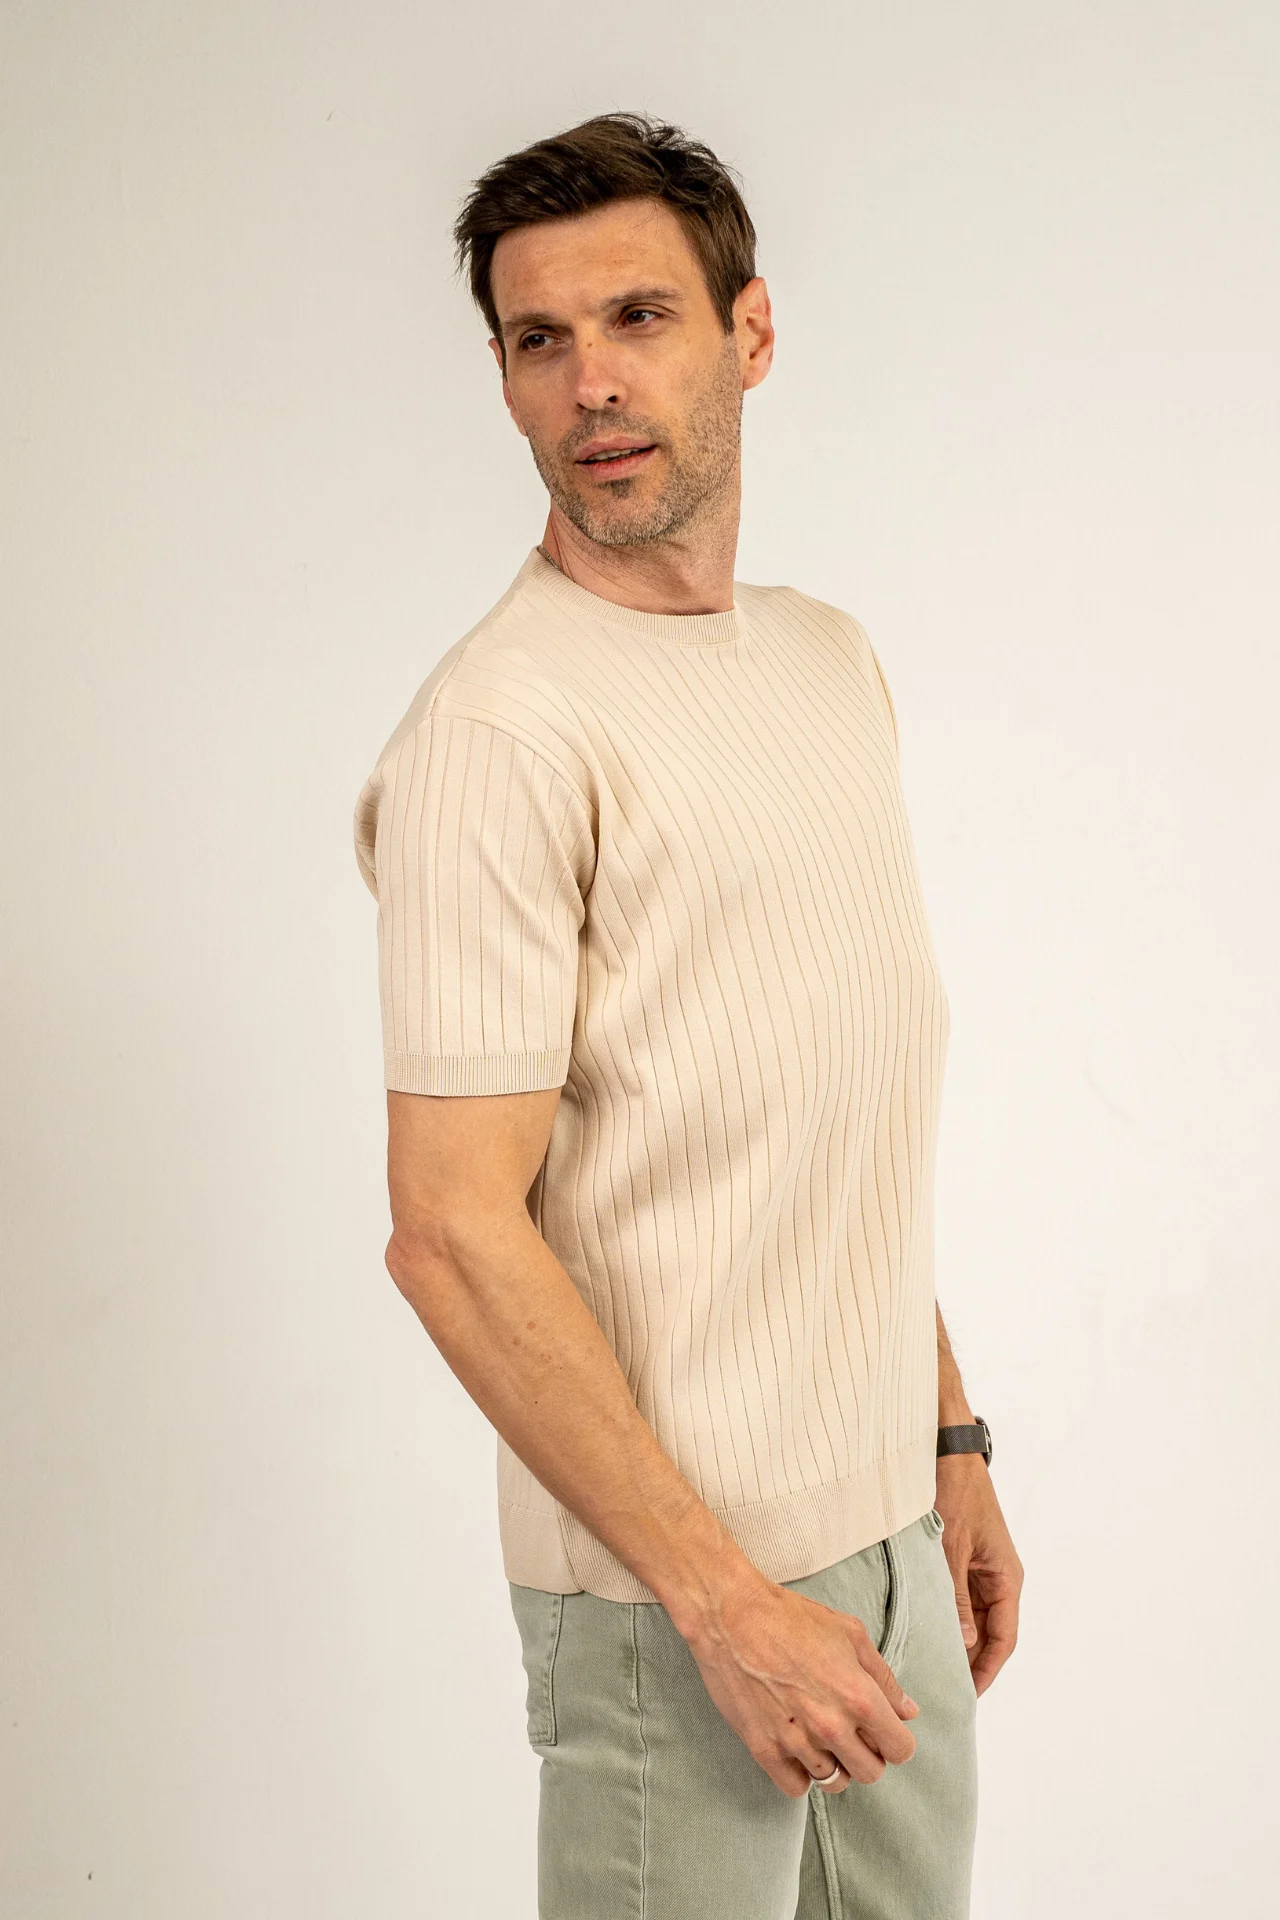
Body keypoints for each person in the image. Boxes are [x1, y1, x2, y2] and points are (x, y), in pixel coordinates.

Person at [352, 110, 1023, 1920]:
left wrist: (946, 1440)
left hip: (894, 1549)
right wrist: (724, 1608)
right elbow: (448, 1233)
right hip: (678, 1612)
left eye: (639, 316)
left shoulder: (826, 660)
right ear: (505, 380)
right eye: (538, 339)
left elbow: (825, 1113)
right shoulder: (500, 734)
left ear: (751, 331)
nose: (590, 381)